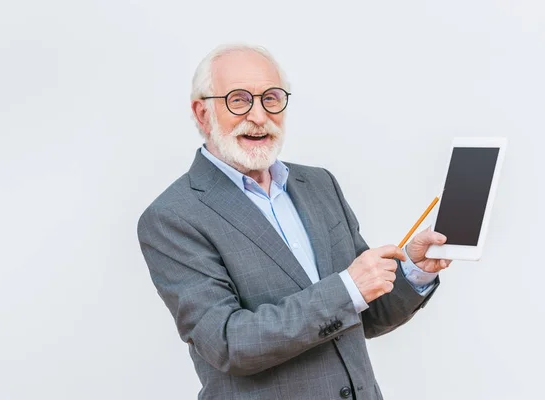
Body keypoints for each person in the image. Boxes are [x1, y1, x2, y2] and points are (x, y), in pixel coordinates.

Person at [137, 43, 452, 400]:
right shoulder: (172, 217)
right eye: (238, 100)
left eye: (271, 98)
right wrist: (348, 288)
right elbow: (228, 342)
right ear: (202, 113)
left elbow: (366, 313)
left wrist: (413, 268)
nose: (258, 116)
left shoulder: (320, 184)